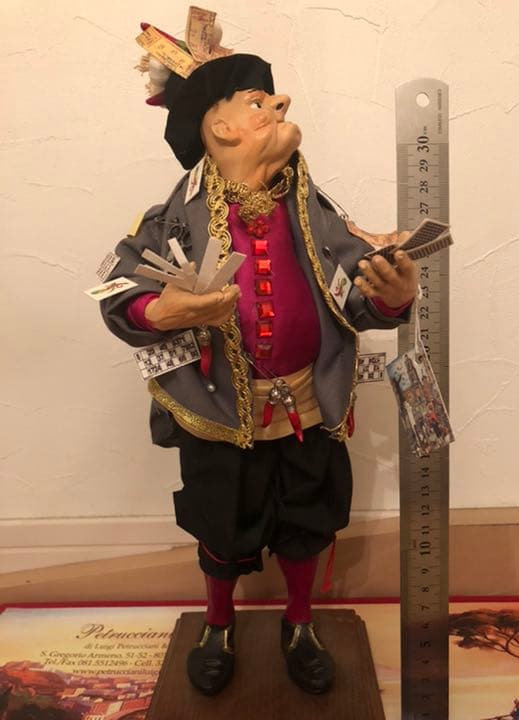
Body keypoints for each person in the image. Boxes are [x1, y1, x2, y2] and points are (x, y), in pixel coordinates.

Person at [100, 9, 417, 697]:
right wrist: (161, 311)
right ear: (219, 127)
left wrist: (392, 299)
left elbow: (357, 297)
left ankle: (300, 623)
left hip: (310, 404)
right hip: (217, 411)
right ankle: (218, 624)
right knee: (222, 523)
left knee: (309, 520)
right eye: (257, 100)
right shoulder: (170, 220)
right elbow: (118, 290)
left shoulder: (317, 212)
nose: (280, 104)